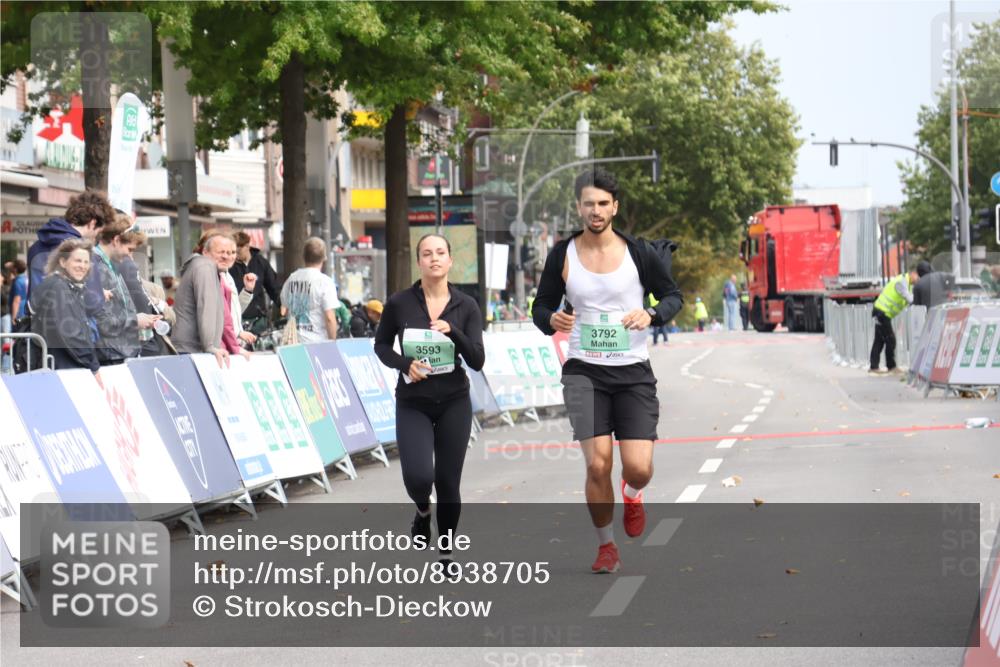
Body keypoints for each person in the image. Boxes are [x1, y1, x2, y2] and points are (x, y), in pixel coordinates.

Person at [532, 168, 682, 574]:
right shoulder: (562, 254)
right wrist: (552, 320)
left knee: (639, 467)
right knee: (597, 464)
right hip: (584, 371)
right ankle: (606, 547)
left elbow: (672, 296)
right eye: (588, 203)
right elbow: (541, 306)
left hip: (632, 372)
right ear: (579, 207)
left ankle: (632, 494)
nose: (595, 211)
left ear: (614, 207)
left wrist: (650, 313)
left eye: (602, 203)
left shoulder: (639, 253)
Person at [374, 233, 484, 568]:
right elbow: (381, 346)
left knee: (448, 481)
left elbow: (477, 360)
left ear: (450, 260)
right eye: (427, 253)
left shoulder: (466, 306)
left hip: (454, 400)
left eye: (440, 253)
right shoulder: (399, 303)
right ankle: (422, 510)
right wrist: (405, 364)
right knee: (420, 477)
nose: (434, 258)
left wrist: (455, 332)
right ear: (419, 262)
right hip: (413, 401)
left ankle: (447, 552)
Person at [26, 191, 114, 316]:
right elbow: (93, 303)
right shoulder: (83, 251)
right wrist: (100, 294)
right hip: (72, 327)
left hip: (39, 327)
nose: (96, 236)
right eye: (99, 231)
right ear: (93, 223)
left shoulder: (35, 247)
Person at [92, 217, 160, 364]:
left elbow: (116, 309)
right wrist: (135, 320)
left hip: (117, 352)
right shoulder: (96, 266)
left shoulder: (109, 264)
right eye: (130, 249)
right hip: (109, 355)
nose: (130, 256)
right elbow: (102, 321)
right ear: (116, 240)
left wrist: (136, 317)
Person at [29, 239, 100, 373]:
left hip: (62, 366)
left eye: (86, 262)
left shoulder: (67, 287)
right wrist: (93, 366)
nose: (83, 266)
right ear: (62, 262)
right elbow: (71, 335)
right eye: (77, 261)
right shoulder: (58, 287)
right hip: (61, 369)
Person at [172, 231, 232, 368]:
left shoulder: (205, 267)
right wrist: (210, 346)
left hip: (190, 348)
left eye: (229, 253)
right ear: (205, 252)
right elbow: (207, 307)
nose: (226, 256)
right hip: (193, 350)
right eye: (220, 252)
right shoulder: (205, 267)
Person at [279, 237, 340, 343]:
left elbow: (285, 309)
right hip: (317, 342)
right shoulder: (324, 282)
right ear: (324, 258)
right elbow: (329, 318)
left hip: (293, 341)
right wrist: (333, 342)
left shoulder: (292, 278)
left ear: (304, 256)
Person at [869, 268, 920, 376]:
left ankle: (874, 367)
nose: (919, 280)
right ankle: (891, 367)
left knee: (879, 340)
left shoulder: (907, 284)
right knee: (890, 339)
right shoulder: (901, 282)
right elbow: (910, 299)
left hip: (882, 312)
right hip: (881, 312)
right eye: (918, 277)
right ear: (913, 274)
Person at [230, 231, 281, 334]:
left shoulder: (261, 262)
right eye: (234, 252)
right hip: (237, 320)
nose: (236, 257)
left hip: (258, 321)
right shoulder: (230, 266)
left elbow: (274, 288)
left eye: (238, 252)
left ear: (247, 246)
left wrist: (283, 305)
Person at [8, 259, 27, 324]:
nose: (10, 269)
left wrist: (13, 318)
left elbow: (16, 300)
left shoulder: (18, 282)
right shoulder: (26, 279)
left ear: (15, 269)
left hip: (19, 314)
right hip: (26, 312)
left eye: (12, 267)